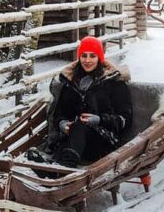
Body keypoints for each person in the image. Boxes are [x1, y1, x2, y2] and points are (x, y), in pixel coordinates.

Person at [52, 36, 132, 167]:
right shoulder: (71, 83)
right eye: (83, 56)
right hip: (71, 138)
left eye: (92, 56)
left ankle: (65, 168)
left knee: (79, 127)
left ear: (99, 58)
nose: (87, 60)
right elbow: (58, 113)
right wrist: (62, 123)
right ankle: (51, 169)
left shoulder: (114, 82)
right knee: (74, 130)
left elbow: (125, 119)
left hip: (103, 140)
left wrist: (100, 120)